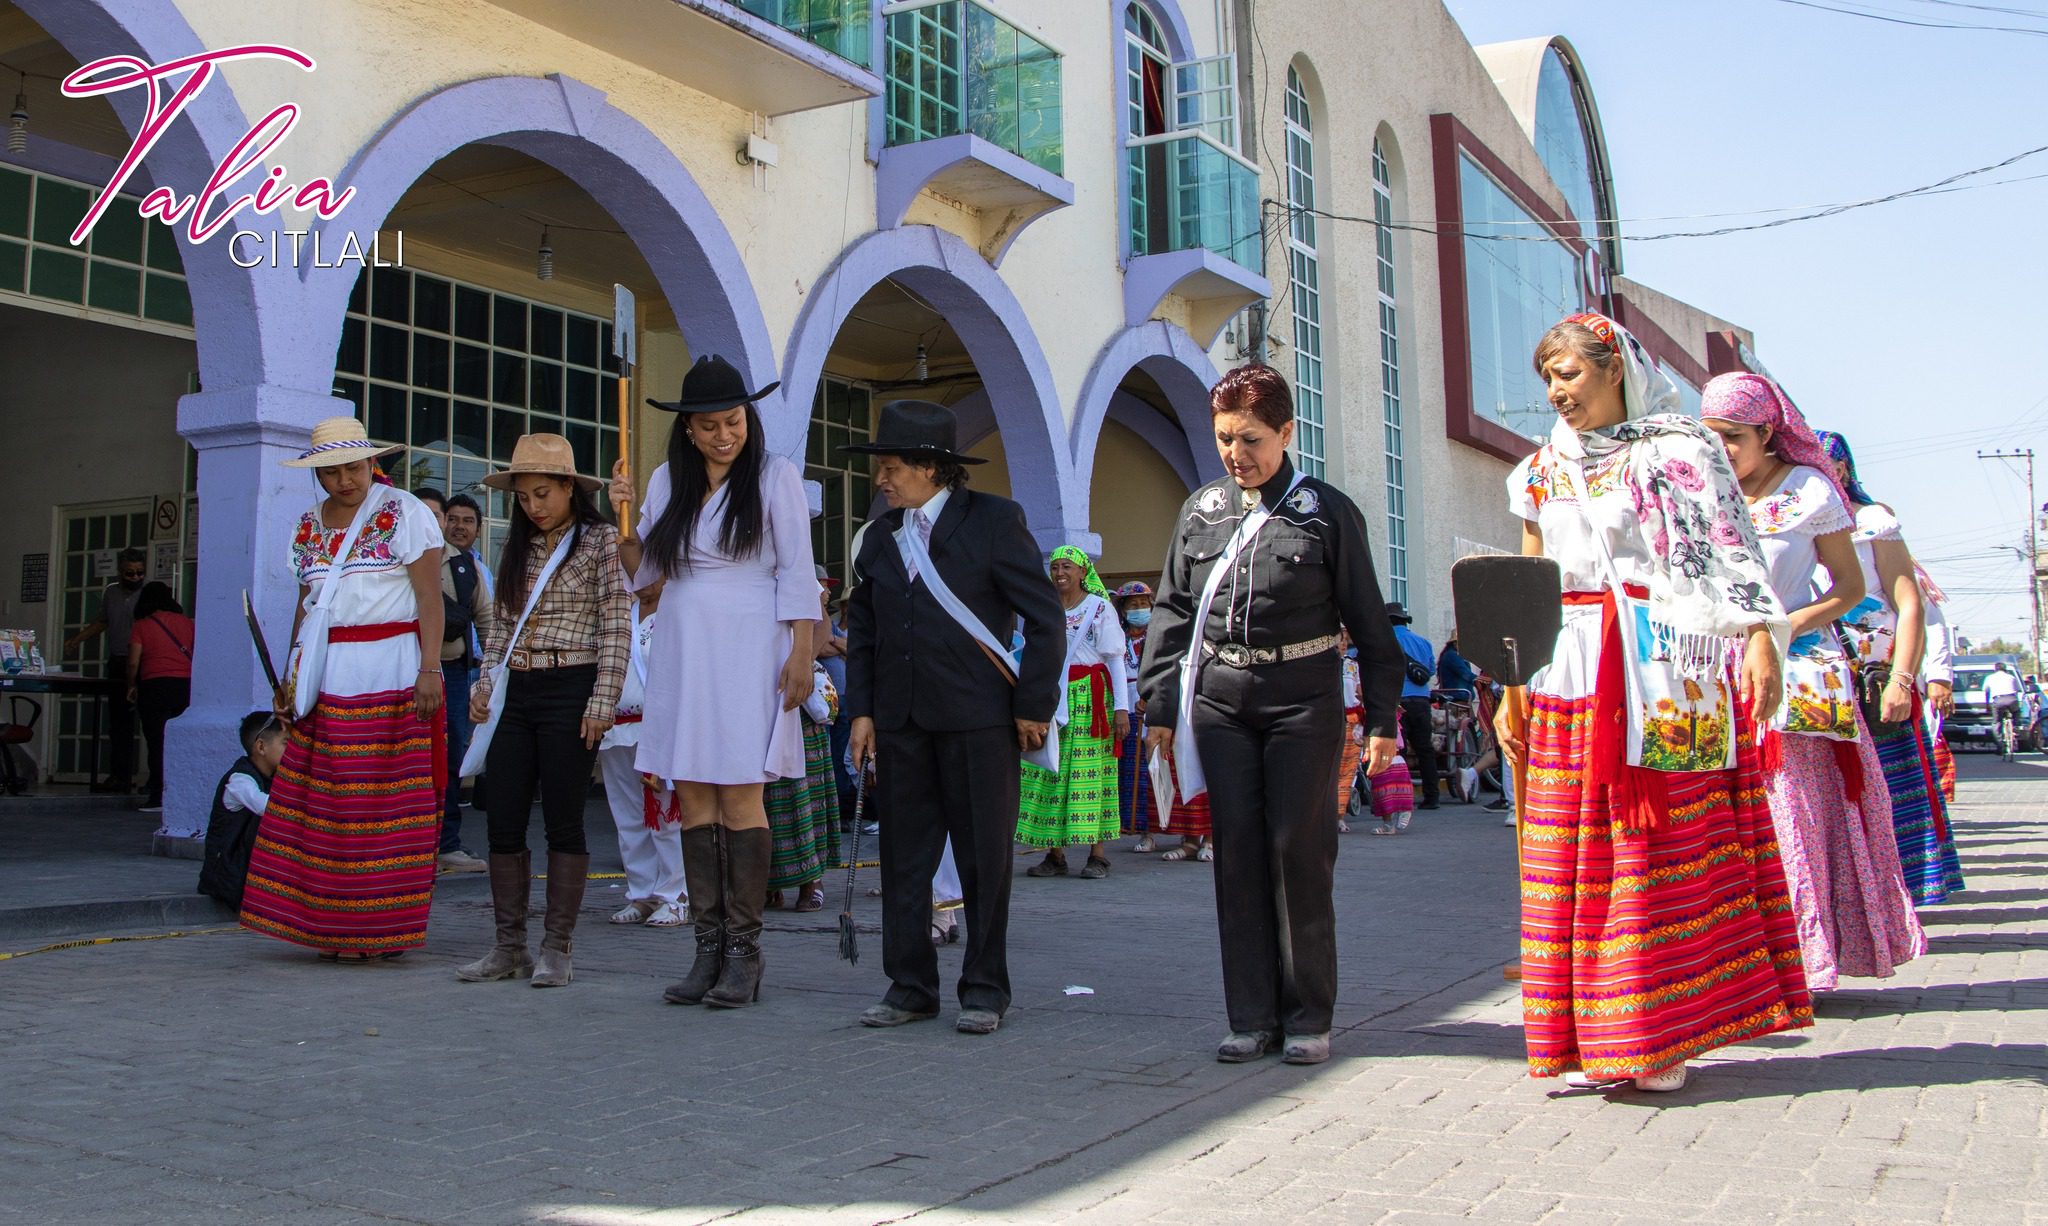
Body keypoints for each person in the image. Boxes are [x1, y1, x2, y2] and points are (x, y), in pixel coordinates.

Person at [1494, 314, 1812, 1092]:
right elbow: (1531, 583)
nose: (1556, 393)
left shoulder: (1679, 452)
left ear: (1614, 371)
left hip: (1665, 674)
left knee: (1655, 858)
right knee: (1567, 862)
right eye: (1548, 379)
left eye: (1569, 374)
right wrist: (1510, 689)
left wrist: (1762, 643)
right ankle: (1586, 1040)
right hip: (1566, 672)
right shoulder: (1542, 468)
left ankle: (1661, 1038)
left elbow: (1732, 558)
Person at [1140, 362, 1405, 1066]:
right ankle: (1250, 1017)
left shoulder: (1327, 512)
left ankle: (1308, 1014)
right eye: (1226, 439)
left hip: (1304, 702)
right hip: (1222, 702)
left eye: (1253, 439)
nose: (1238, 455)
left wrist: (1382, 721)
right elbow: (1172, 612)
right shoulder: (1201, 512)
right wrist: (1159, 707)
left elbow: (1372, 627)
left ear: (1288, 433)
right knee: (1238, 855)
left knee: (1298, 849)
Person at [842, 399, 1065, 1036]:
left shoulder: (994, 520)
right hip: (903, 721)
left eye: (891, 468)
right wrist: (862, 711)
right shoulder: (880, 539)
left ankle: (985, 988)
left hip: (979, 721)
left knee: (982, 859)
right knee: (904, 860)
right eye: (879, 468)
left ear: (933, 468)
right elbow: (863, 632)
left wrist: (1033, 705)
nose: (881, 480)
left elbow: (1045, 619)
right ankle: (909, 985)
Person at [1700, 373, 1924, 991]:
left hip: (1792, 676)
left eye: (1733, 438)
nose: (1720, 451)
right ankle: (1730, 970)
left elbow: (1850, 590)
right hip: (1707, 676)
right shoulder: (1698, 490)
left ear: (1768, 433)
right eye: (1709, 438)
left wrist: (1784, 625)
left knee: (1789, 816)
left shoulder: (1809, 491)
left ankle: (1802, 961)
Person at [613, 354, 817, 1011]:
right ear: (688, 430)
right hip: (682, 644)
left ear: (748, 420)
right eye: (710, 426)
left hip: (752, 644)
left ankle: (744, 954)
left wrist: (803, 654)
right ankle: (706, 950)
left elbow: (797, 572)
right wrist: (621, 522)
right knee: (694, 798)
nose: (725, 435)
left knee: (739, 798)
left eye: (734, 422)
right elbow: (643, 578)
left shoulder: (776, 477)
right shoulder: (667, 480)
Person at [239, 417, 446, 962]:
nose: (344, 480)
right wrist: (290, 680)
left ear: (369, 463)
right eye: (331, 472)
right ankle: (329, 928)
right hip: (326, 677)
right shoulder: (306, 526)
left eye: (352, 467)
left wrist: (430, 669)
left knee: (385, 807)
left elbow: (429, 599)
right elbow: (306, 609)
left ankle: (381, 931)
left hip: (393, 670)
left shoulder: (405, 512)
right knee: (326, 806)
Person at [457, 434, 631, 988]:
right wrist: (484, 683)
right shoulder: (517, 545)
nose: (533, 506)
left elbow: (616, 622)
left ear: (569, 490)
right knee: (502, 816)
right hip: (516, 687)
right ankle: (509, 946)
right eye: (525, 496)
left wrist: (602, 701)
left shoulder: (600, 539)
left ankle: (558, 946)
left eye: (543, 493)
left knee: (564, 818)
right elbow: (502, 626)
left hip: (573, 685)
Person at [1817, 430, 1967, 906]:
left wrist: (1913, 676)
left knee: (1894, 786)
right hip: (1820, 679)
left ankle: (1909, 889)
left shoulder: (1873, 522)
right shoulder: (1792, 518)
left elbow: (1913, 605)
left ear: (1844, 468)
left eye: (1829, 461)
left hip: (1877, 676)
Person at [1018, 546, 1131, 880]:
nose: (1059, 573)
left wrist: (1121, 709)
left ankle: (1097, 855)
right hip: (1052, 699)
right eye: (1054, 567)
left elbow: (1114, 659)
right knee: (1050, 771)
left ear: (1083, 572)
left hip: (1089, 701)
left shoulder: (1099, 609)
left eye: (1067, 566)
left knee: (1090, 775)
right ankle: (1054, 853)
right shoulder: (1044, 608)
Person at [599, 582, 689, 930]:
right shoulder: (621, 611)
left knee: (665, 815)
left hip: (658, 728)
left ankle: (676, 896)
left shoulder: (677, 612)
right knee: (628, 816)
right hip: (616, 727)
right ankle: (642, 892)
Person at [414, 487, 490, 874]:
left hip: (454, 676)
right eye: (421, 514)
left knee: (449, 759)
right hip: (403, 675)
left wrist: (493, 675)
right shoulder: (394, 562)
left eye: (437, 516)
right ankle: (407, 845)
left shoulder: (464, 566)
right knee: (408, 760)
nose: (433, 523)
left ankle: (446, 844)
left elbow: (487, 622)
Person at [763, 584, 842, 914]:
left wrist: (801, 662)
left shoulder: (795, 567)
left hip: (795, 694)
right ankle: (769, 880)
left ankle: (812, 881)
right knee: (763, 794)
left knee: (804, 793)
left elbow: (821, 625)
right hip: (756, 691)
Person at [63, 546, 147, 793]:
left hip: (144, 661)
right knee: (119, 722)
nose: (135, 578)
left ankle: (153, 779)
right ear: (120, 572)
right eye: (129, 573)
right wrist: (77, 639)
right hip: (119, 659)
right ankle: (119, 775)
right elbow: (102, 621)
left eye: (139, 573)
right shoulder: (111, 593)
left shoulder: (149, 593)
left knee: (151, 723)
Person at [197, 711, 287, 909]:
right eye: (285, 744)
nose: (291, 751)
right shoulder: (240, 780)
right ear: (261, 746)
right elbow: (272, 808)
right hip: (225, 876)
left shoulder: (274, 778)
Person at [125, 581, 193, 813]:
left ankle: (157, 796)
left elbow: (134, 660)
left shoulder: (141, 626)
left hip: (154, 686)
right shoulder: (186, 623)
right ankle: (182, 794)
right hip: (184, 685)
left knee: (157, 742)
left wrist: (131, 684)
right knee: (181, 742)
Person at [1113, 582, 1161, 852]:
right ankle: (1136, 826)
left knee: (1153, 772)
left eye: (1143, 604)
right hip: (1126, 710)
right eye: (1133, 606)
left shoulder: (1157, 636)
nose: (1139, 610)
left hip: (1153, 709)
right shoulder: (1119, 637)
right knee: (1131, 772)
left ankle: (1156, 829)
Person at [1389, 605, 1440, 810]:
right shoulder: (1423, 642)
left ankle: (1397, 799)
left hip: (1396, 701)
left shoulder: (1385, 640)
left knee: (1395, 751)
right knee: (1424, 750)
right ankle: (1432, 796)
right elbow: (1430, 670)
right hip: (1420, 701)